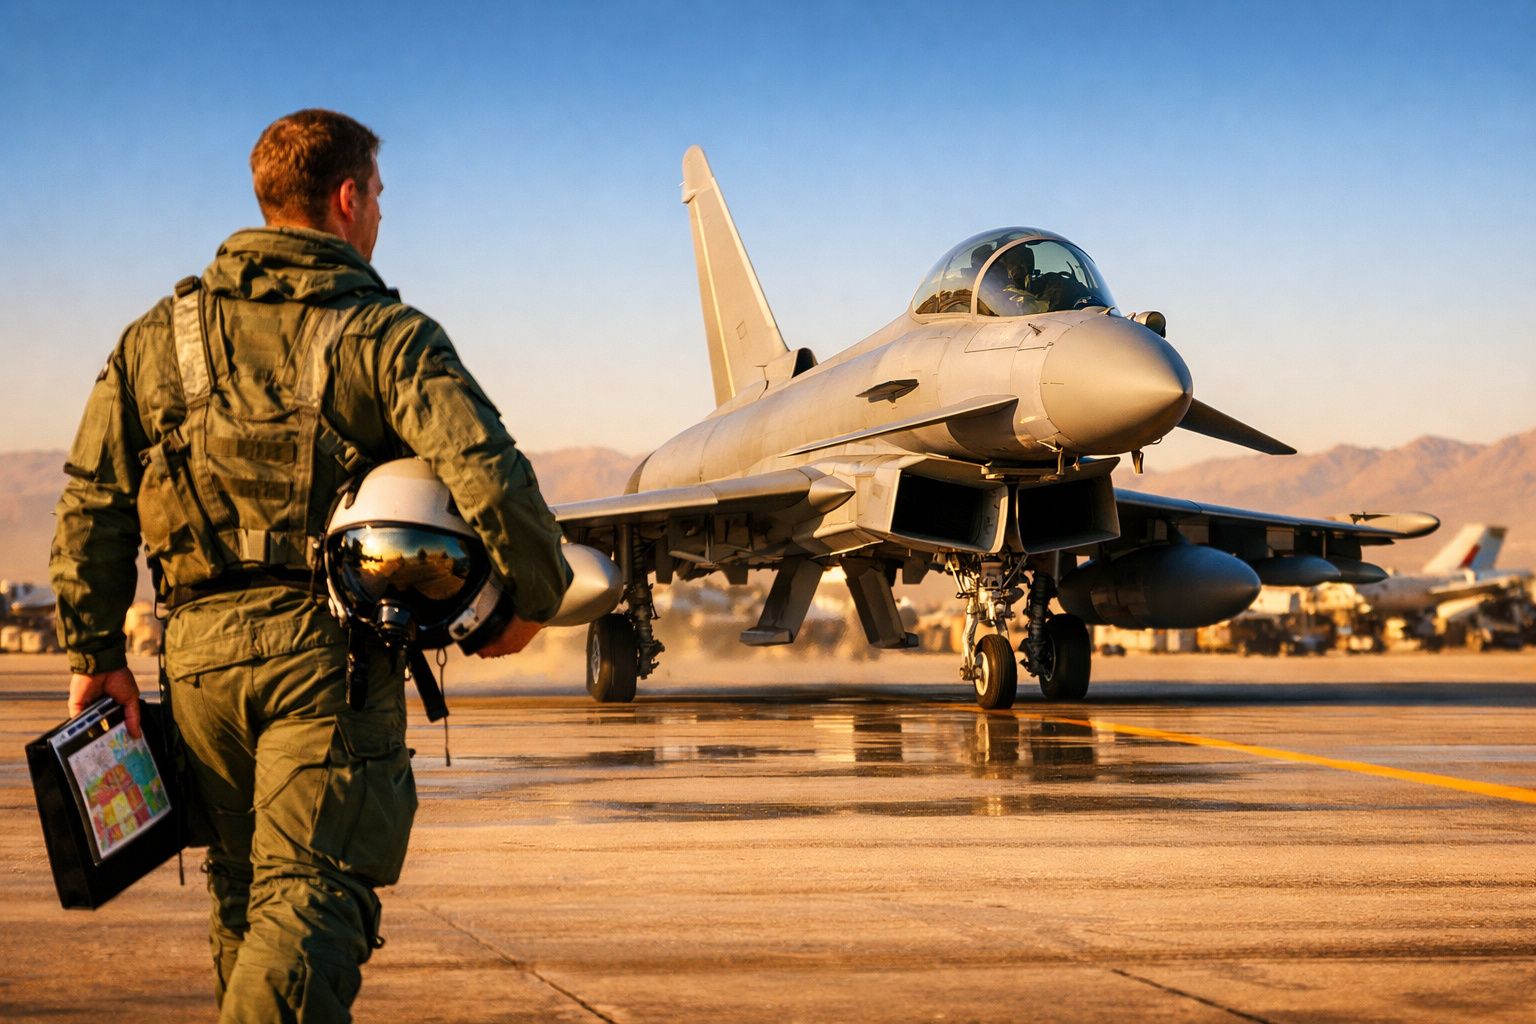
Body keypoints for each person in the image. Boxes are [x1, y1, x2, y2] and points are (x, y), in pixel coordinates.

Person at [50, 108, 570, 1022]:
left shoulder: (153, 341)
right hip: (323, 659)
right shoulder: (385, 335)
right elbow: (487, 470)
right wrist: (534, 597)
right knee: (315, 894)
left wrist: (95, 654)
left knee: (247, 896)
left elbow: (93, 499)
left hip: (198, 662)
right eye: (378, 196)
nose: (378, 216)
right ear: (346, 197)